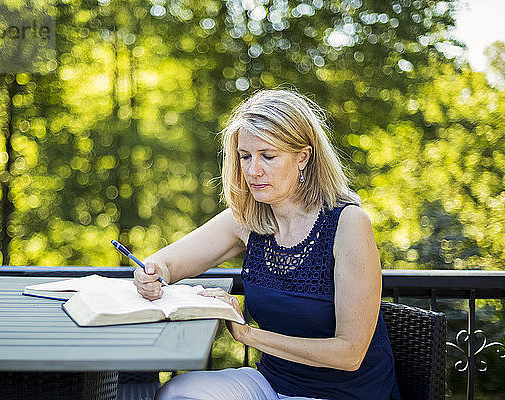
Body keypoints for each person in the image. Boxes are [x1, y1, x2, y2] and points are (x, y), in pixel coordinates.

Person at [133, 89, 401, 400]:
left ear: (303, 157)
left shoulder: (348, 223)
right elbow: (168, 263)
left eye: (268, 156)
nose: (252, 170)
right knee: (178, 393)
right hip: (271, 385)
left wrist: (248, 335)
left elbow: (349, 353)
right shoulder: (246, 219)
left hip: (345, 394)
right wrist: (150, 274)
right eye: (245, 156)